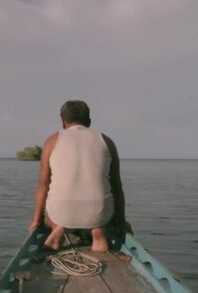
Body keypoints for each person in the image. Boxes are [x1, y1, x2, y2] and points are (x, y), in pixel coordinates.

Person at [27, 100, 131, 253]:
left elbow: (43, 184)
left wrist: (37, 220)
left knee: (52, 217)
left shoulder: (52, 141)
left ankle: (59, 227)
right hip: (100, 213)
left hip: (61, 212)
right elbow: (117, 187)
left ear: (63, 122)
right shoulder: (106, 141)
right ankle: (98, 230)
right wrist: (121, 221)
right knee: (104, 213)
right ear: (89, 122)